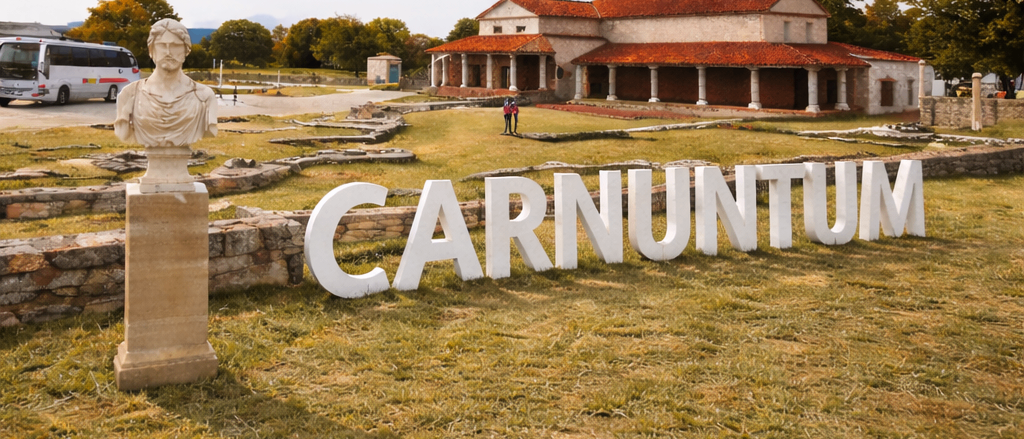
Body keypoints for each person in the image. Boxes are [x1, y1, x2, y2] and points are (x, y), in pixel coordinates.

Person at [114, 18, 217, 148]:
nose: (169, 52)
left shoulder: (205, 97)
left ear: (186, 50)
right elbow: (122, 134)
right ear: (151, 50)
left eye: (176, 45)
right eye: (162, 45)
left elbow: (211, 131)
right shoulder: (129, 94)